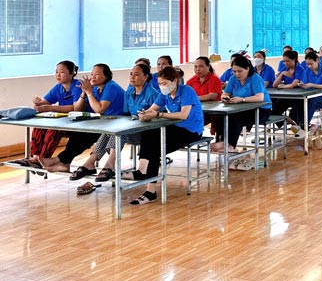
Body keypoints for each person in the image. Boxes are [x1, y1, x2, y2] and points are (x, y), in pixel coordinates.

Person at [71, 63, 160, 183]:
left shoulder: (153, 94)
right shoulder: (129, 92)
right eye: (131, 74)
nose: (132, 77)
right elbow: (126, 114)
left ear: (145, 77)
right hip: (133, 129)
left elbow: (158, 118)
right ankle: (91, 162)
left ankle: (110, 164)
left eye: (137, 74)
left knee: (119, 131)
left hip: (146, 135)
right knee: (111, 131)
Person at [133, 66, 204, 204]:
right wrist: (144, 114)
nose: (162, 87)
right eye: (159, 84)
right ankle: (142, 171)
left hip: (191, 130)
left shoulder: (186, 91)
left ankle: (150, 190)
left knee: (155, 148)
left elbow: (183, 115)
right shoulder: (164, 94)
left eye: (164, 83)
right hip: (174, 128)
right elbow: (152, 109)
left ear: (175, 81)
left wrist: (159, 114)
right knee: (149, 132)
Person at [38, 64, 125, 174]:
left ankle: (59, 160)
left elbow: (99, 109)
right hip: (104, 123)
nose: (93, 77)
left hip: (118, 124)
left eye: (97, 75)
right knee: (78, 134)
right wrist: (84, 93)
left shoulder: (110, 87)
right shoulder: (95, 88)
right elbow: (78, 109)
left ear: (107, 76)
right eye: (92, 74)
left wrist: (88, 92)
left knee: (86, 136)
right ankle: (63, 162)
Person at [16, 61, 82, 168]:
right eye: (56, 72)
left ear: (71, 73)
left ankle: (42, 159)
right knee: (40, 127)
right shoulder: (58, 87)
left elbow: (75, 108)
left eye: (61, 72)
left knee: (53, 130)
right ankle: (34, 157)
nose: (58, 75)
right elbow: (45, 101)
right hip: (65, 122)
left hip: (77, 124)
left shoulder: (78, 86)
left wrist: (50, 108)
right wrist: (38, 102)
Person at [214, 55, 271, 153]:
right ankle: (222, 141)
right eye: (234, 71)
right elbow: (225, 93)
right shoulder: (233, 79)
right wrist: (225, 98)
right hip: (241, 108)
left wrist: (242, 99)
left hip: (261, 110)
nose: (237, 74)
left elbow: (259, 97)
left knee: (236, 118)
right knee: (220, 116)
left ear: (247, 69)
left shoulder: (255, 78)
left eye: (240, 71)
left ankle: (231, 145)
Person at [272, 50, 307, 137]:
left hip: (299, 96)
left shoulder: (300, 69)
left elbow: (293, 85)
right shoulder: (284, 69)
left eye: (288, 61)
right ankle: (286, 120)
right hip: (286, 96)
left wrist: (282, 87)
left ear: (294, 59)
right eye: (284, 61)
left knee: (296, 112)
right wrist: (282, 74)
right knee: (274, 111)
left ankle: (299, 128)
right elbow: (274, 85)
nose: (285, 63)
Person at [301, 52, 322, 131]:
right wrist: (302, 85)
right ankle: (300, 123)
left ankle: (304, 123)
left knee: (312, 102)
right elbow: (305, 83)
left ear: (317, 60)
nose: (309, 66)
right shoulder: (307, 71)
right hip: (313, 96)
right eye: (307, 64)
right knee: (300, 102)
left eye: (311, 64)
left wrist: (312, 85)